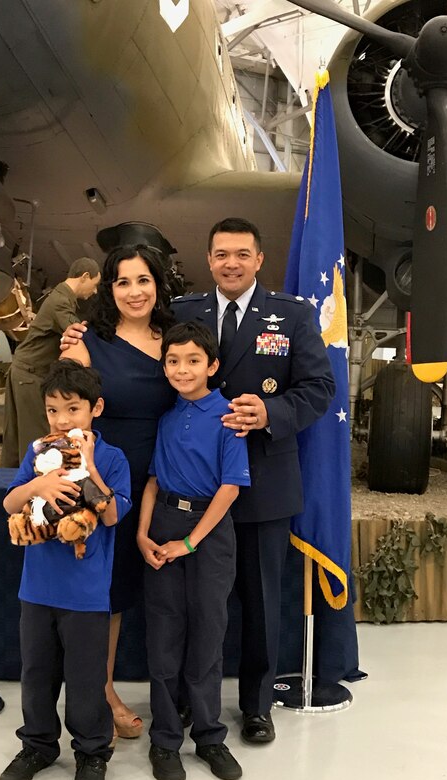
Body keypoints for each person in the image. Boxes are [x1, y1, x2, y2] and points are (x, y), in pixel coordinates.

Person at [170, 217, 335, 744]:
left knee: (262, 603)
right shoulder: (182, 313)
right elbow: (129, 340)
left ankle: (257, 706)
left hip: (264, 481)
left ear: (260, 259)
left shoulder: (290, 316)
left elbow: (319, 387)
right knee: (196, 602)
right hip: (193, 488)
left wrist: (270, 413)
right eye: (221, 254)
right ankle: (191, 701)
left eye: (242, 254)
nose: (231, 263)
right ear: (209, 259)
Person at [0, 360, 131, 780]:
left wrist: (88, 466)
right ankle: (37, 744)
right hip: (37, 589)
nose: (61, 419)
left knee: (85, 679)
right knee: (36, 674)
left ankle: (92, 752)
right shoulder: (39, 453)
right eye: (53, 410)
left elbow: (111, 513)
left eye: (72, 409)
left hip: (86, 594)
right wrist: (40, 487)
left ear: (96, 409)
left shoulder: (113, 458)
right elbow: (9, 502)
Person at [60, 244, 176, 739]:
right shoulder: (88, 341)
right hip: (109, 480)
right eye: (123, 281)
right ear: (109, 289)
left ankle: (180, 702)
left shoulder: (177, 338)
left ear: (158, 285)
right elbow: (66, 416)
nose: (134, 291)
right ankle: (100, 693)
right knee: (106, 596)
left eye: (143, 280)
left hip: (169, 480)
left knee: (164, 593)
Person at [137, 321, 249, 780]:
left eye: (193, 360)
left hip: (208, 533)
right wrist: (143, 535)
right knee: (164, 637)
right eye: (173, 361)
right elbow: (153, 481)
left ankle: (209, 735)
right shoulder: (166, 418)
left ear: (213, 366)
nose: (182, 370)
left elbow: (230, 488)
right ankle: (165, 739)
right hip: (163, 524)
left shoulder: (227, 416)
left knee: (207, 633)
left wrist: (190, 542)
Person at [0, 257, 101, 468]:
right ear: (84, 277)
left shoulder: (60, 298)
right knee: (36, 440)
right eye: (95, 284)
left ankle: (10, 487)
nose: (95, 291)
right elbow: (77, 334)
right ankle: (33, 491)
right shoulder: (61, 302)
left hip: (24, 372)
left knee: (16, 438)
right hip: (30, 374)